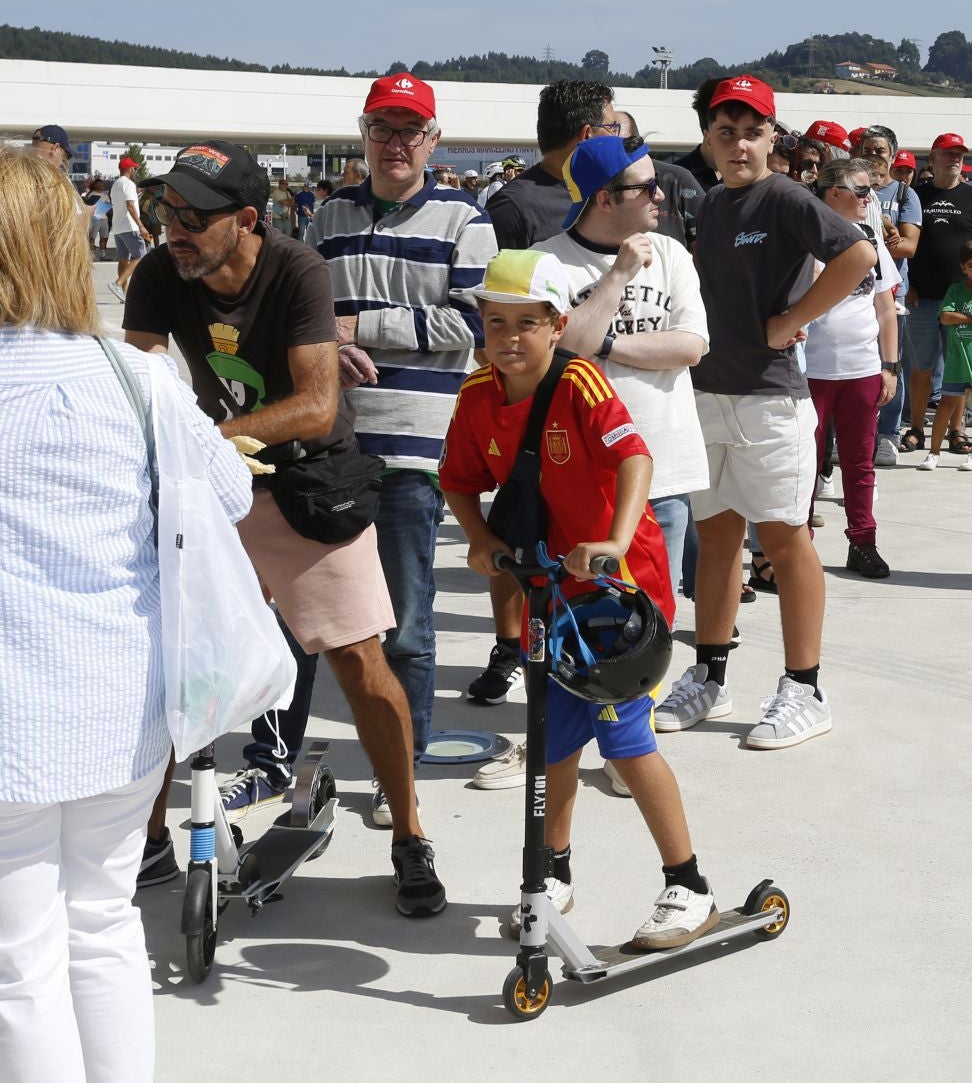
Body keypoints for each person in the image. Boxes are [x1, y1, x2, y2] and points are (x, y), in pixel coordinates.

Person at [123, 141, 444, 914]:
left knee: (362, 665)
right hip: (214, 489)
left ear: (246, 219)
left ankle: (409, 832)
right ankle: (150, 843)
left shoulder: (298, 268)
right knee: (170, 667)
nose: (177, 229)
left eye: (195, 217)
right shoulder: (164, 272)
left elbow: (316, 407)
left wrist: (202, 441)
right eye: (169, 212)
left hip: (306, 484)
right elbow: (137, 377)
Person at [0, 149, 254, 1083]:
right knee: (103, 923)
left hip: (10, 713)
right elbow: (226, 491)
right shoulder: (132, 374)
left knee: (19, 960)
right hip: (120, 693)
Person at [443, 249, 722, 948]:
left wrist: (616, 540)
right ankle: (555, 873)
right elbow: (456, 478)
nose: (508, 337)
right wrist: (480, 539)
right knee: (553, 736)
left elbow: (636, 457)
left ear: (557, 322)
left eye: (526, 324)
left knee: (624, 741)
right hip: (548, 590)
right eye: (495, 321)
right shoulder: (478, 394)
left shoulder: (581, 381)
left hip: (614, 590)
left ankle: (689, 885)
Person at [468, 137, 711, 796]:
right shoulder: (546, 261)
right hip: (566, 475)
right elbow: (560, 347)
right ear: (606, 197)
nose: (661, 196)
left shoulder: (677, 255)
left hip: (657, 465)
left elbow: (690, 345)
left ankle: (628, 736)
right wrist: (618, 280)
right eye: (645, 187)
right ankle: (554, 736)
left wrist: (604, 342)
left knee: (645, 615)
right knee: (559, 615)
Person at [654, 76, 874, 751]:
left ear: (772, 137)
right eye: (726, 131)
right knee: (718, 539)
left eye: (752, 130)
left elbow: (859, 254)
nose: (739, 142)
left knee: (784, 540)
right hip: (708, 393)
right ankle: (711, 674)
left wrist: (794, 320)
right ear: (708, 140)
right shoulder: (715, 202)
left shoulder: (783, 196)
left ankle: (805, 687)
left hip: (771, 399)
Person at [312, 74, 498, 822]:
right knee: (332, 622)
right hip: (334, 447)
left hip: (417, 451)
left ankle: (408, 770)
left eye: (410, 131)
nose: (395, 144)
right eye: (383, 129)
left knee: (411, 622)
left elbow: (479, 325)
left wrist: (362, 327)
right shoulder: (326, 216)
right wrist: (328, 334)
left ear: (433, 140)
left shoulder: (466, 219)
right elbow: (307, 314)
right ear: (363, 133)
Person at [802, 158, 900, 575]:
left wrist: (889, 365)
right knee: (804, 462)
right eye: (862, 191)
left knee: (860, 463)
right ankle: (797, 548)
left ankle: (863, 541)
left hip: (861, 368)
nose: (869, 198)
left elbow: (885, 307)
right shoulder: (803, 237)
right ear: (834, 194)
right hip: (810, 370)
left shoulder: (868, 237)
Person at [902, 133, 972, 453]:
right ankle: (915, 428)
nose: (955, 158)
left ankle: (956, 431)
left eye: (959, 154)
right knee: (921, 366)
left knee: (957, 370)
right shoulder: (916, 195)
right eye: (947, 153)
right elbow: (905, 243)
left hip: (962, 300)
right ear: (933, 157)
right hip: (923, 296)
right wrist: (909, 284)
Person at [487, 80, 620, 251]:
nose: (619, 139)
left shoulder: (606, 192)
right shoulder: (511, 208)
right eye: (613, 128)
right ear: (586, 135)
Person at [856, 125, 921, 465]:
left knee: (889, 365)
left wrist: (879, 234)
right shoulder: (849, 187)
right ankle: (847, 435)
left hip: (892, 295)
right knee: (854, 368)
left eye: (879, 151)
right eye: (867, 150)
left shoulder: (905, 195)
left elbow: (908, 247)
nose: (873, 157)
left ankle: (889, 436)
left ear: (893, 157)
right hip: (852, 294)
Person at [923, 237, 972, 472]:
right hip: (958, 359)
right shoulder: (954, 291)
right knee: (946, 404)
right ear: (963, 268)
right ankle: (933, 452)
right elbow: (946, 317)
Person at [613, 109, 701, 248]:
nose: (659, 196)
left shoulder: (677, 181)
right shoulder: (582, 187)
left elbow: (708, 248)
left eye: (624, 146)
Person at [107, 154, 152, 300]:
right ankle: (118, 284)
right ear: (129, 169)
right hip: (129, 226)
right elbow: (131, 206)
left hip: (118, 227)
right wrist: (141, 226)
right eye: (133, 168)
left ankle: (124, 294)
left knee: (123, 259)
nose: (134, 170)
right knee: (140, 255)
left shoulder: (115, 185)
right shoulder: (129, 184)